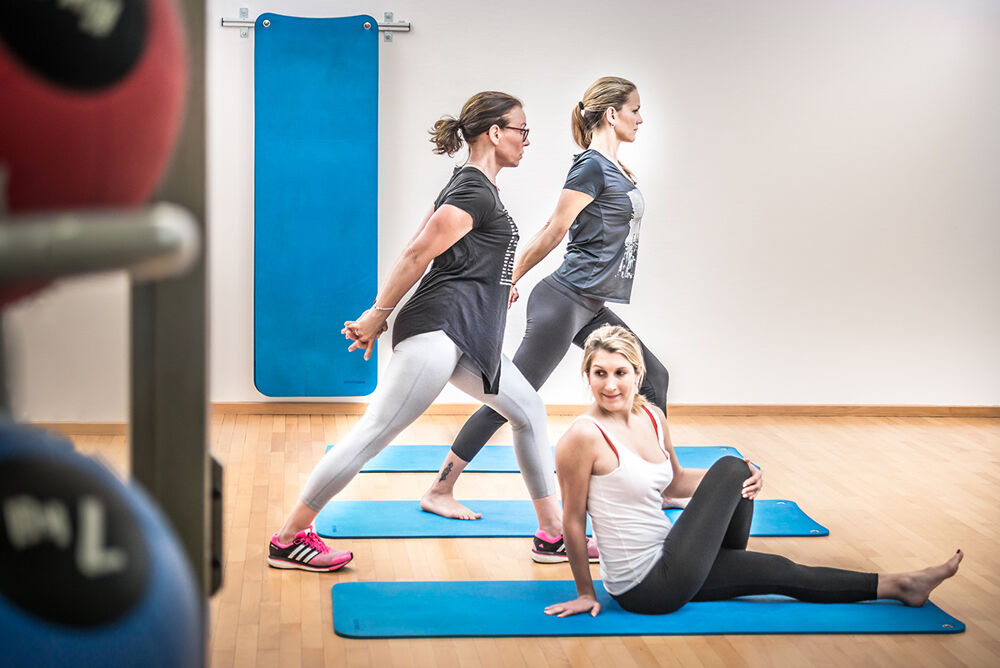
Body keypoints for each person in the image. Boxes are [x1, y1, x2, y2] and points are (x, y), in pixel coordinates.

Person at [267, 91, 568, 571]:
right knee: (374, 433)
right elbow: (416, 253)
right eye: (522, 130)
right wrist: (376, 314)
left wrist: (497, 283)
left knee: (528, 409)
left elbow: (444, 251)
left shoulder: (473, 187)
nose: (526, 140)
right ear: (495, 133)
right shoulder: (473, 190)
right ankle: (288, 539)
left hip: (466, 334)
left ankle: (553, 535)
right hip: (440, 330)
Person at [420, 77, 679, 557]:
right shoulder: (591, 167)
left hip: (590, 303)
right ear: (612, 114)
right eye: (635, 110)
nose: (641, 118)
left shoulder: (614, 168)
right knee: (509, 400)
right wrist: (507, 279)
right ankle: (440, 488)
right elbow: (553, 229)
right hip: (563, 301)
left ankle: (657, 481)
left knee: (654, 375)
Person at [543, 324, 963, 616]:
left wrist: (745, 478)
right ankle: (728, 552)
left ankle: (900, 585)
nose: (610, 385)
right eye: (599, 373)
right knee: (730, 466)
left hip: (673, 556)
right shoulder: (582, 437)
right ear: (587, 376)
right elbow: (573, 521)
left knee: (781, 568)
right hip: (644, 585)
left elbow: (675, 483)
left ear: (638, 374)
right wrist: (585, 592)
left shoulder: (652, 417)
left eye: (620, 373)